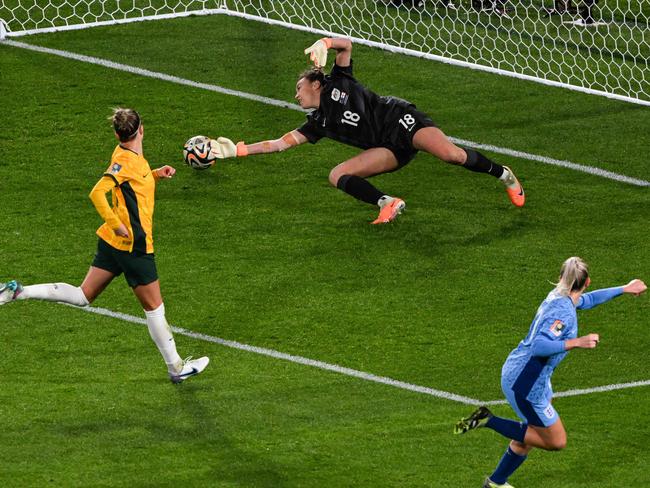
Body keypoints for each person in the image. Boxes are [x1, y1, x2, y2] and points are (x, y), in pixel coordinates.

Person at [207, 37, 525, 224]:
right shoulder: (317, 123)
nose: (296, 95)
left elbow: (347, 47)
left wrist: (325, 42)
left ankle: (504, 174)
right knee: (337, 174)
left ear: (316, 83)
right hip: (387, 149)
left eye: (299, 88)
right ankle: (386, 202)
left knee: (452, 155)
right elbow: (279, 144)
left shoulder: (338, 82)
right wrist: (238, 150)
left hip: (399, 120)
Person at [0, 108, 209, 384]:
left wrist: (156, 174)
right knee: (154, 309)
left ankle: (19, 293)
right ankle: (175, 367)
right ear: (142, 129)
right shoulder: (127, 160)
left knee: (83, 295)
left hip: (112, 245)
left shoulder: (124, 155)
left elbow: (130, 180)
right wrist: (115, 223)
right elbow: (97, 192)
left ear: (118, 134)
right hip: (133, 246)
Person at [453, 257, 646, 488]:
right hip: (525, 383)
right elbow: (539, 347)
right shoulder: (563, 312)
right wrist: (577, 342)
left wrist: (624, 288)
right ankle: (488, 420)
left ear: (562, 279)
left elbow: (590, 299)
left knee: (530, 434)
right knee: (556, 441)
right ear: (587, 282)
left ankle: (496, 482)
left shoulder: (559, 296)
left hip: (528, 374)